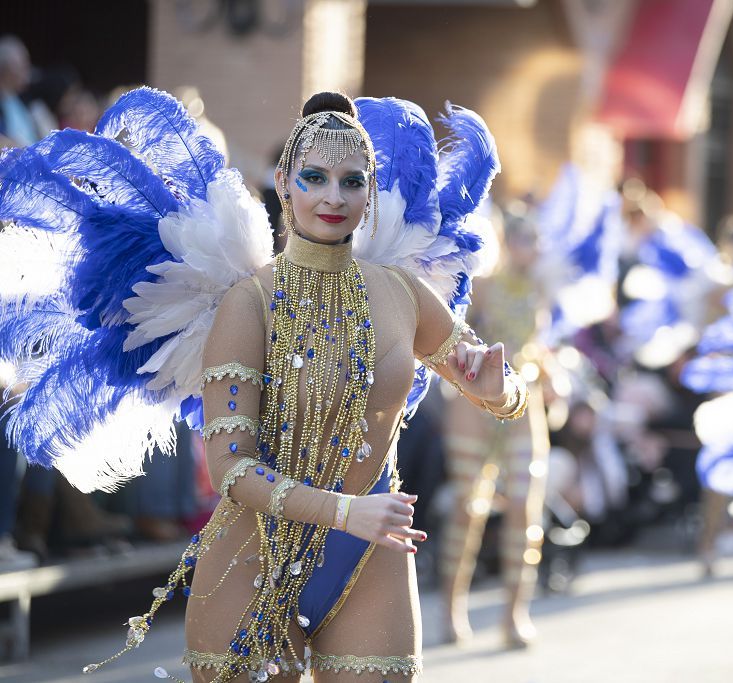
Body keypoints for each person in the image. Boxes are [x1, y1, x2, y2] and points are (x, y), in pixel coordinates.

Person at [0, 88, 526, 682]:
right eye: (314, 177)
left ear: (371, 190)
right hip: (253, 556)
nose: (333, 196)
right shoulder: (247, 304)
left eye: (352, 182)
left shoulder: (403, 294)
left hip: (369, 556)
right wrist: (346, 512)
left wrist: (498, 388)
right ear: (283, 181)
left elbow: (494, 385)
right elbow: (229, 465)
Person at [439, 205, 549, 648]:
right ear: (507, 243)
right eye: (523, 239)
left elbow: (540, 344)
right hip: (476, 403)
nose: (532, 249)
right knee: (469, 507)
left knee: (525, 507)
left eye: (536, 241)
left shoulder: (542, 289)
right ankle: (450, 608)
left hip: (527, 400)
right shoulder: (482, 287)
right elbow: (451, 334)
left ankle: (514, 614)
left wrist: (548, 367)